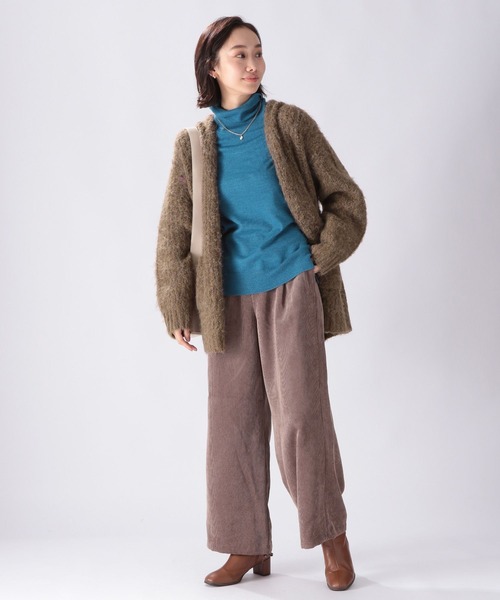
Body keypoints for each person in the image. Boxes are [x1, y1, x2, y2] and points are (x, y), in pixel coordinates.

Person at [156, 15, 367, 592]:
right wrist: (175, 305)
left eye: (258, 53)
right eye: (239, 55)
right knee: (231, 424)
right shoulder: (194, 145)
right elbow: (174, 231)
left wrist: (319, 258)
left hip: (290, 286)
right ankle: (246, 544)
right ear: (212, 67)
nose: (253, 65)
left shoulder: (288, 124)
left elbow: (345, 199)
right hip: (225, 300)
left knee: (301, 417)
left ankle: (332, 538)